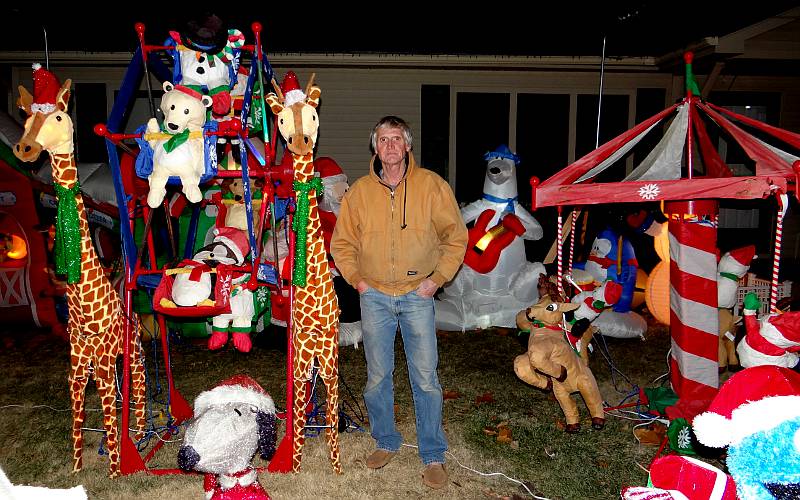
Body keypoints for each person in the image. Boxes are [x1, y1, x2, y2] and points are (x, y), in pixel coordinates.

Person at [331, 116, 467, 489]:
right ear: (375, 148)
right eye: (382, 139)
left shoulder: (431, 186)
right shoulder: (359, 192)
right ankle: (386, 440)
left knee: (425, 378)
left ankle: (433, 454)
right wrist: (358, 281)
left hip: (417, 296)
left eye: (396, 139)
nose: (389, 145)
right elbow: (341, 243)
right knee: (377, 376)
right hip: (373, 296)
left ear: (408, 146)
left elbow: (456, 237)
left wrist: (436, 280)